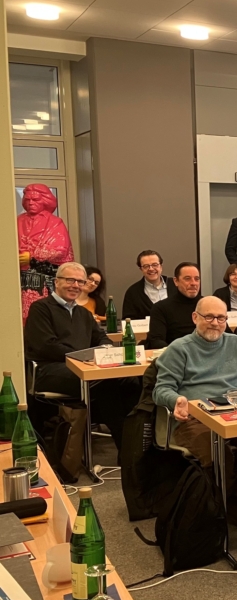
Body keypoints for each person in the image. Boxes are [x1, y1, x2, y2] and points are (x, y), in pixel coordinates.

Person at [153, 296, 237, 529]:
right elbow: (161, 390)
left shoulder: (235, 343)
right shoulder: (179, 348)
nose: (215, 323)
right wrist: (177, 400)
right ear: (195, 317)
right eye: (209, 317)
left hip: (234, 413)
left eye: (221, 318)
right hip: (195, 418)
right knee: (219, 453)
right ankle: (217, 509)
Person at [24, 262, 139, 479]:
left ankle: (132, 451)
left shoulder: (83, 314)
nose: (75, 285)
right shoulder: (41, 308)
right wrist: (82, 356)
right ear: (56, 282)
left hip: (86, 370)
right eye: (70, 280)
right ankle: (127, 454)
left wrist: (103, 350)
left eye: (80, 281)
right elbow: (46, 346)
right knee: (108, 385)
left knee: (130, 382)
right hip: (49, 371)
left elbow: (102, 338)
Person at [18, 183, 74, 322]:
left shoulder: (55, 222)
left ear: (45, 200)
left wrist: (32, 256)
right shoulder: (18, 221)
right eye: (28, 199)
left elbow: (60, 250)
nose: (31, 203)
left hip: (45, 279)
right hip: (19, 279)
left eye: (35, 199)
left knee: (44, 316)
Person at [148, 263, 202, 349]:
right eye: (187, 279)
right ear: (176, 281)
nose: (193, 283)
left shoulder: (209, 305)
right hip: (176, 354)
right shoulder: (161, 308)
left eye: (197, 279)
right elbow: (156, 341)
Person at [122, 250, 171, 320]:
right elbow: (128, 320)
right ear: (141, 269)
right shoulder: (132, 293)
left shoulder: (176, 286)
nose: (151, 269)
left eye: (155, 265)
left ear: (161, 267)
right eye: (146, 266)